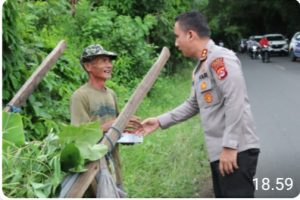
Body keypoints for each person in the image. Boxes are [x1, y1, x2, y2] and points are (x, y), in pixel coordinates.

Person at [137, 11, 260, 198]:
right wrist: (159, 121)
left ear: (190, 34)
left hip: (236, 152)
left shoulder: (220, 59)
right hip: (221, 153)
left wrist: (229, 146)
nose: (176, 43)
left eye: (177, 37)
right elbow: (193, 104)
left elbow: (235, 100)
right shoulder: (201, 67)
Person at [70, 44, 141, 194]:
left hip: (114, 166)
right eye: (103, 60)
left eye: (109, 61)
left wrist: (130, 132)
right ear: (88, 66)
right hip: (93, 171)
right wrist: (113, 124)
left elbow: (117, 127)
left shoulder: (111, 94)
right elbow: (78, 135)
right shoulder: (80, 96)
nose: (109, 65)